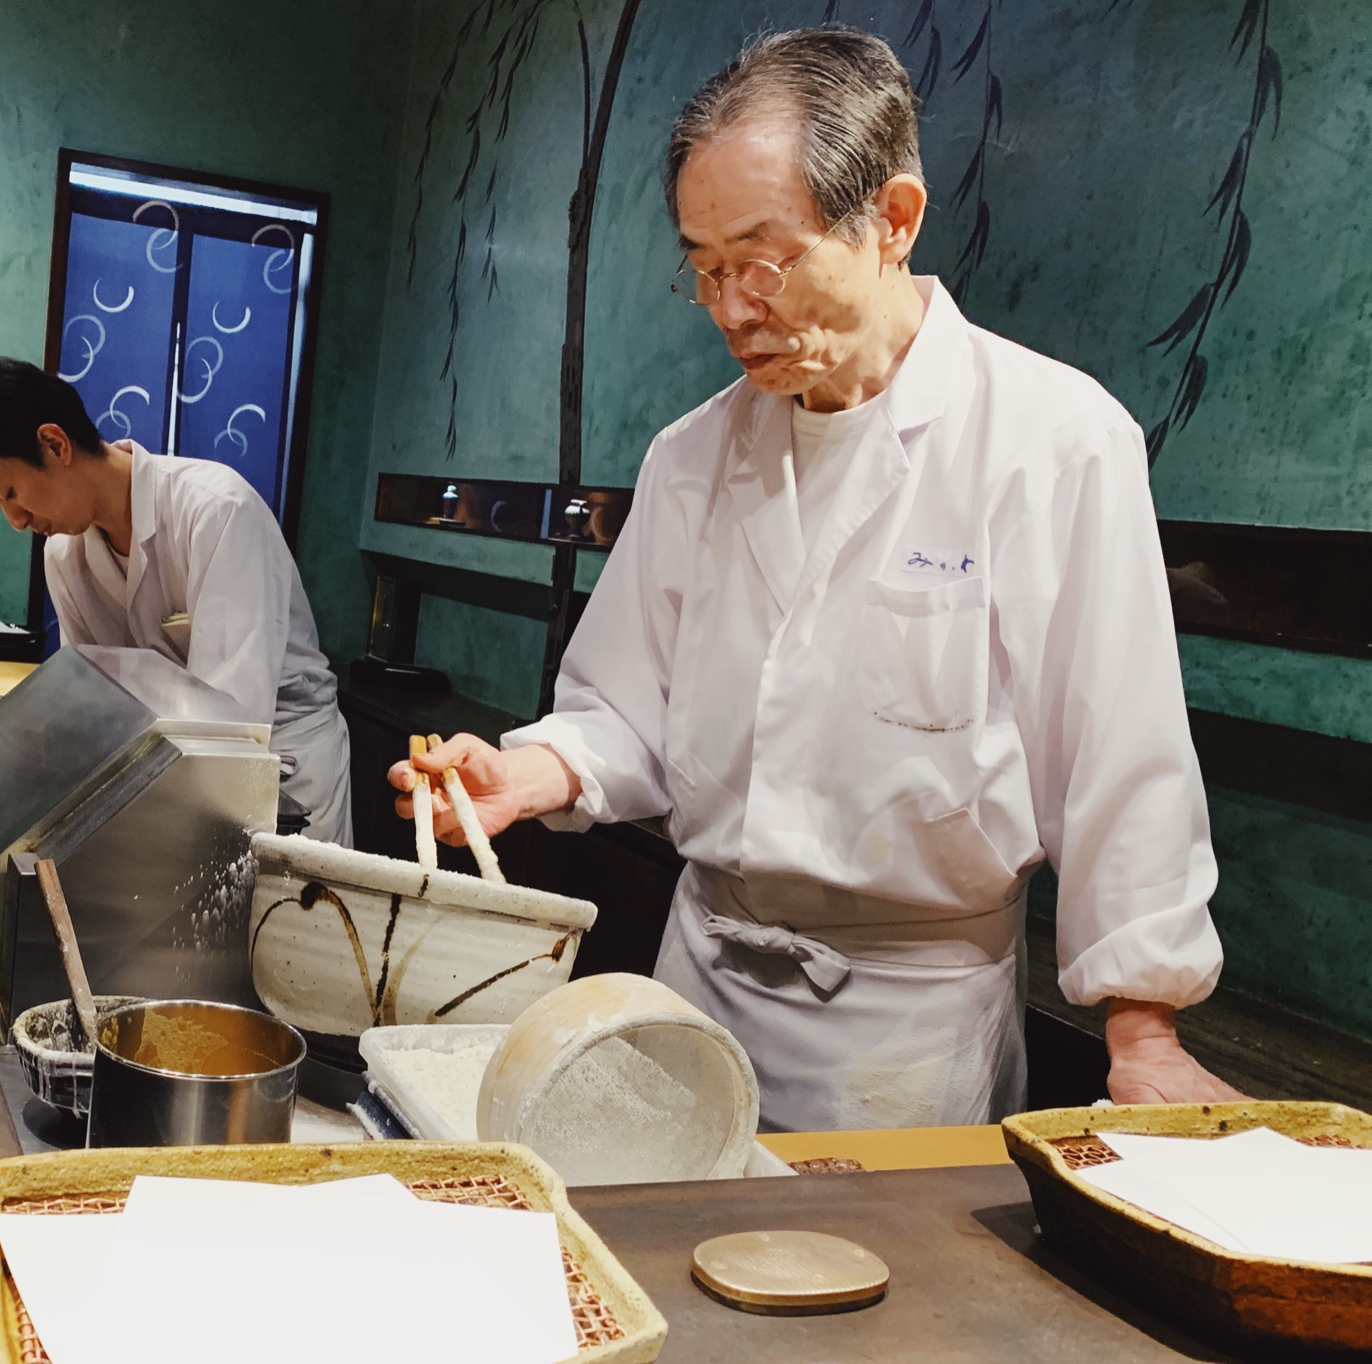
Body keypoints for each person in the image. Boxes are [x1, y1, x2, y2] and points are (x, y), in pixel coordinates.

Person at [391, 28, 1240, 1131]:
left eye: (761, 258)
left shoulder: (1052, 442)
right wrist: (529, 771)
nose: (734, 308)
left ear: (891, 220)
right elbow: (622, 708)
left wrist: (1143, 1031)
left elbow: (1118, 756)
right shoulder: (689, 456)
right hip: (694, 983)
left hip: (907, 1030)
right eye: (702, 270)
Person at [0, 354, 352, 844]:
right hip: (174, 783)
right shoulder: (64, 555)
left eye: (12, 492)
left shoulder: (214, 512)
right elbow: (90, 701)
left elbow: (234, 722)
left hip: (286, 773)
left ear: (54, 443)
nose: (16, 520)